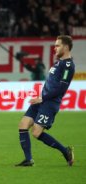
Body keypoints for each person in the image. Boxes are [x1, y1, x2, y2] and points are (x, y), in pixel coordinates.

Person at [15, 35, 75, 166]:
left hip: (50, 103)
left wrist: (43, 97)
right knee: (23, 124)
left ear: (65, 47)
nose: (55, 48)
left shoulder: (68, 65)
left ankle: (65, 151)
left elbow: (61, 87)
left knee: (36, 132)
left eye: (57, 45)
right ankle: (28, 160)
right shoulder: (58, 63)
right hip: (42, 100)